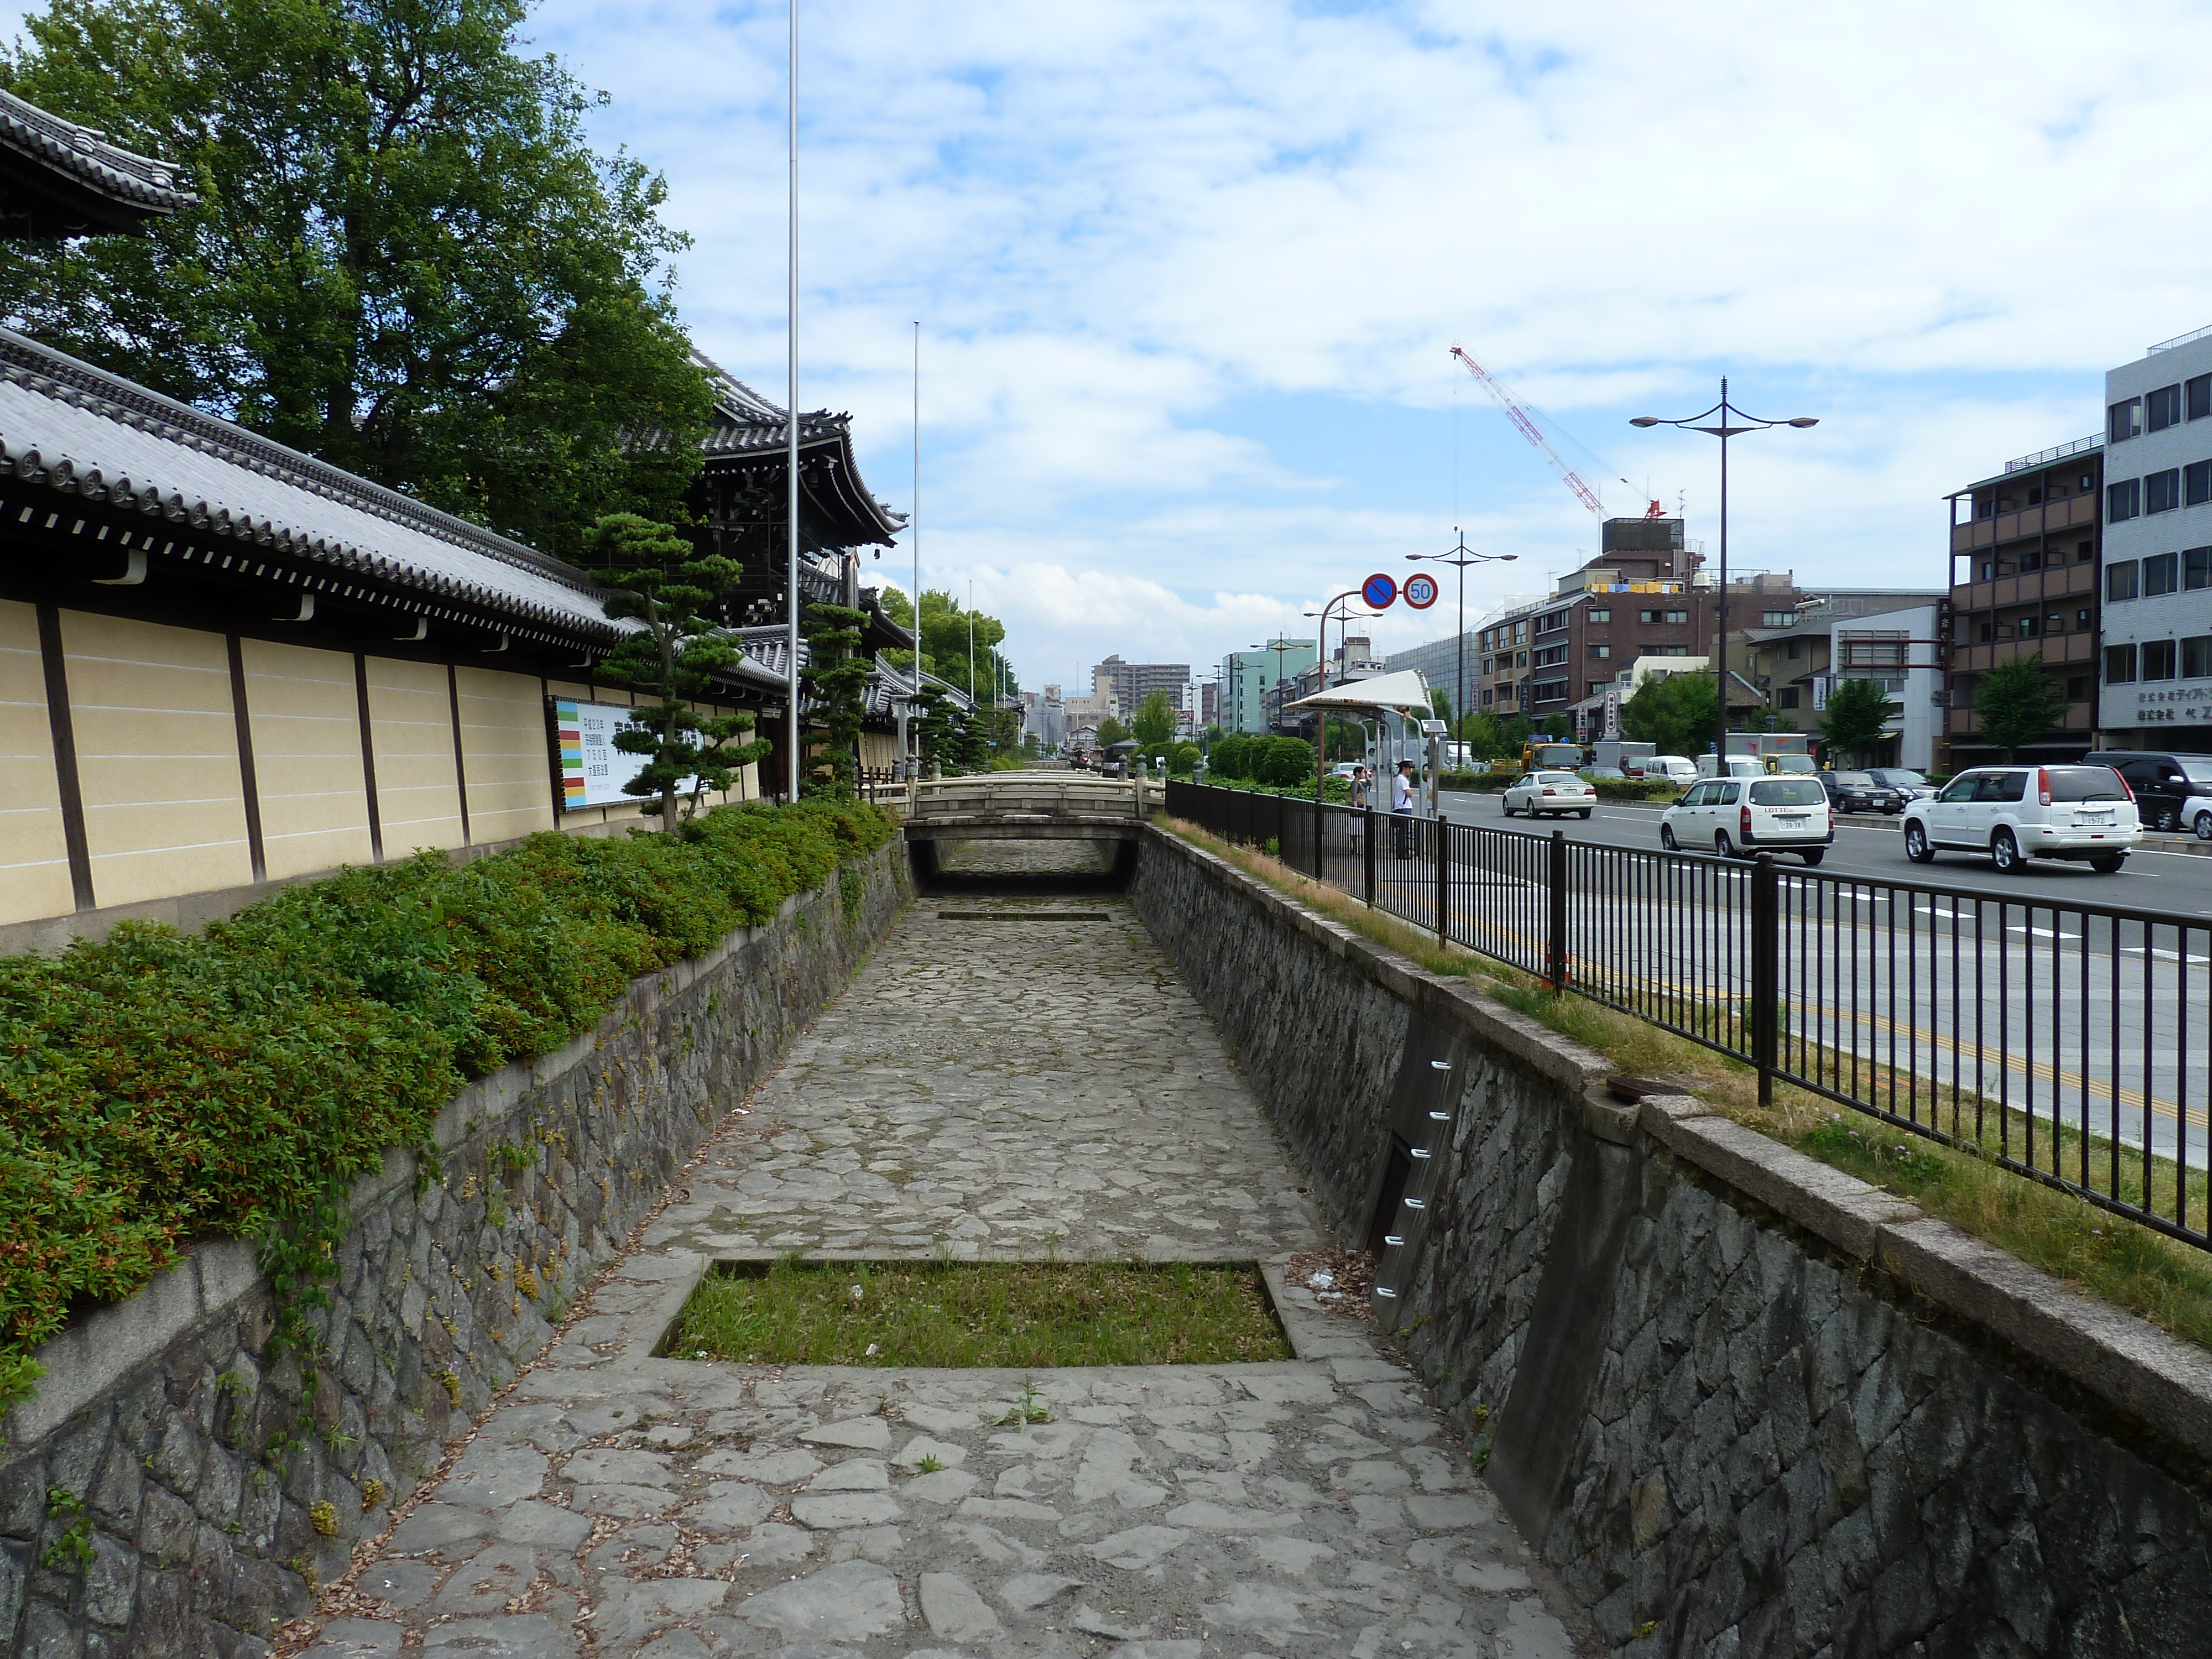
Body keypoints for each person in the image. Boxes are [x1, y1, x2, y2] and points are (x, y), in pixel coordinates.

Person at [1392, 759, 1416, 858]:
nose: (1410, 771)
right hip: (1404, 807)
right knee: (1404, 832)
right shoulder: (1403, 779)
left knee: (1401, 832)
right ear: (1404, 768)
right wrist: (1411, 792)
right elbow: (1409, 794)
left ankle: (1401, 851)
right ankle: (1402, 853)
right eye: (1409, 768)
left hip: (1399, 807)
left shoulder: (1399, 779)